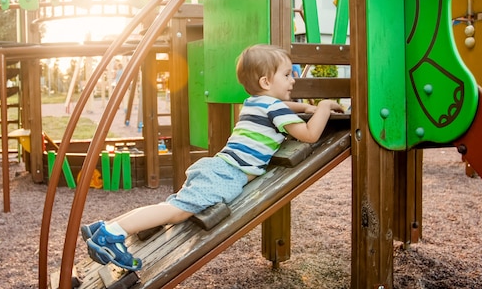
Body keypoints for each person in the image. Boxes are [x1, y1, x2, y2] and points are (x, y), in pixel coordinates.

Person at [81, 44, 345, 271]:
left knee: (174, 209)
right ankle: (111, 234)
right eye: (287, 75)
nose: (293, 80)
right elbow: (310, 134)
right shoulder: (274, 108)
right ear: (266, 82)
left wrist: (305, 106)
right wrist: (322, 106)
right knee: (175, 211)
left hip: (217, 167)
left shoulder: (254, 102)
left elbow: (285, 106)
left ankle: (106, 226)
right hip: (227, 174)